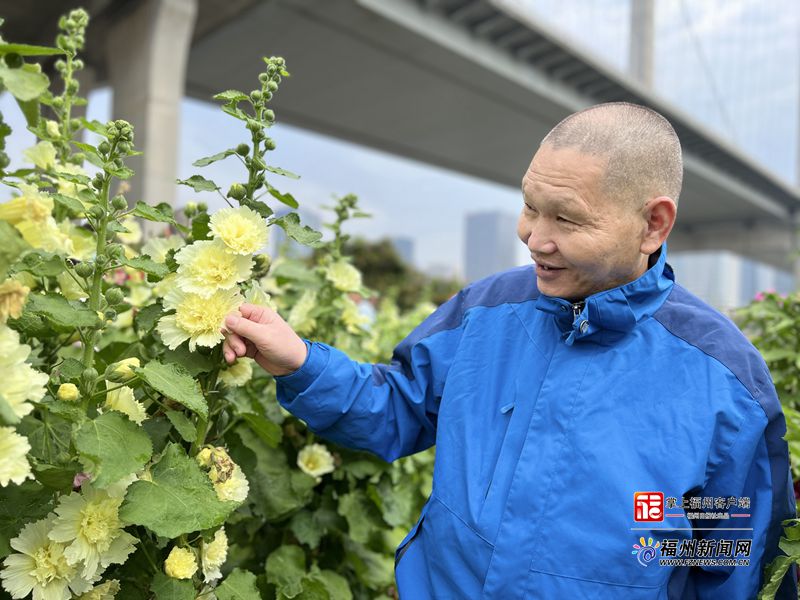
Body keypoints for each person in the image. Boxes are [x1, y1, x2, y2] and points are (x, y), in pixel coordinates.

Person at [221, 102, 797, 599]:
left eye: (567, 219)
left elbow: (735, 565)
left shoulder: (722, 382)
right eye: (530, 206)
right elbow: (397, 404)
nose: (534, 238)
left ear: (653, 224)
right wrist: (299, 361)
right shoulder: (486, 311)